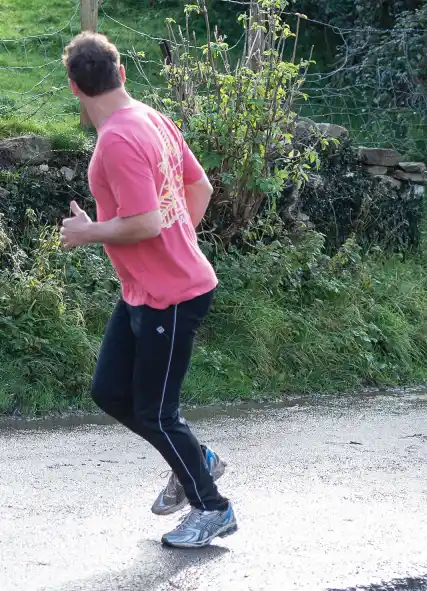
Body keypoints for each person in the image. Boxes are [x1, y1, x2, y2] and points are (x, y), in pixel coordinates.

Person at [59, 32, 237, 547]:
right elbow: (199, 188)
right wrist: (175, 245)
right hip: (146, 289)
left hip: (173, 295)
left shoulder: (117, 140)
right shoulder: (152, 118)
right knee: (110, 392)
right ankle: (197, 459)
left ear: (74, 88)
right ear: (120, 73)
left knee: (157, 412)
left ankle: (213, 509)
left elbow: (146, 222)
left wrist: (89, 232)